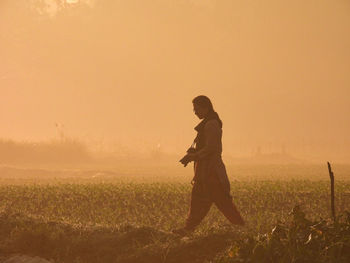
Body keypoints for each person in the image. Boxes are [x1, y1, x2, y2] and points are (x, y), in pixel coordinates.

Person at [174, 95, 244, 236]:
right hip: (204, 171)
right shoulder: (208, 123)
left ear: (205, 107)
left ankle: (241, 227)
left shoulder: (211, 124)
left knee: (222, 202)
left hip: (211, 171)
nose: (195, 112)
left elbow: (212, 148)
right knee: (199, 200)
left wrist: (194, 156)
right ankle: (188, 229)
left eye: (196, 108)